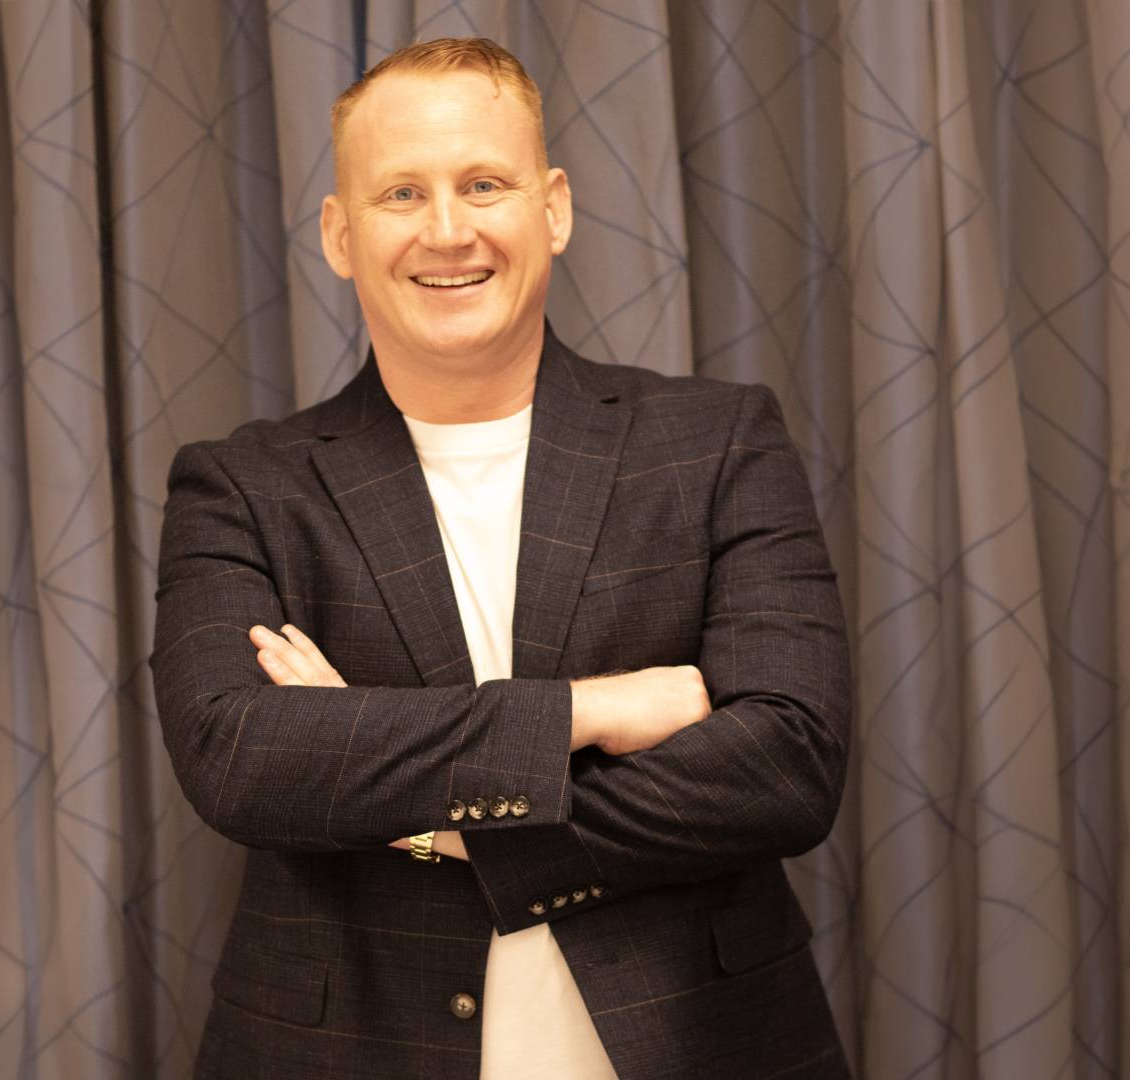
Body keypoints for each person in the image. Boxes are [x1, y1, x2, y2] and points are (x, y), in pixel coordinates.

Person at [152, 36, 851, 1079]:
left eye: (484, 183)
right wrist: (591, 711)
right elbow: (241, 759)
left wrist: (440, 823)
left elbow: (788, 765)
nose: (447, 231)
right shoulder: (241, 484)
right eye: (401, 193)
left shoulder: (719, 441)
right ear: (340, 234)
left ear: (553, 207)